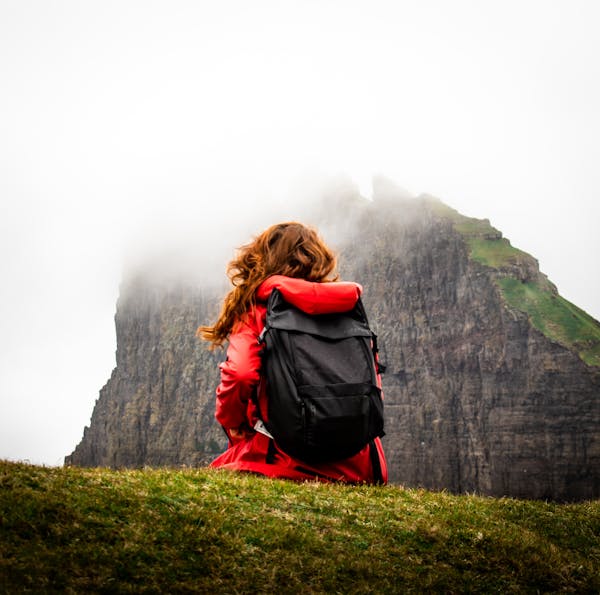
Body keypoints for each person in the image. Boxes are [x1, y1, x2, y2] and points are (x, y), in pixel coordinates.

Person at [198, 222, 387, 483]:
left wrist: (233, 422)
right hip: (357, 465)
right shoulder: (347, 310)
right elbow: (372, 382)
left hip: (283, 459)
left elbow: (240, 374)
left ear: (263, 260)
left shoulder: (259, 311)